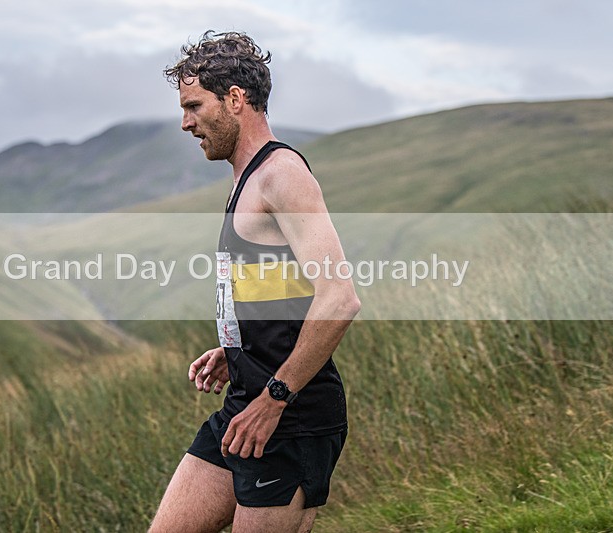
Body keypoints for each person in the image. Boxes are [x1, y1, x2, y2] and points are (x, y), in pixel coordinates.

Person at [150, 31, 361, 533]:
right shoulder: (245, 179)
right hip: (244, 403)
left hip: (290, 416)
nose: (185, 123)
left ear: (236, 100)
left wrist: (274, 398)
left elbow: (340, 298)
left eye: (194, 105)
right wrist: (237, 346)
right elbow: (282, 289)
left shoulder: (281, 175)